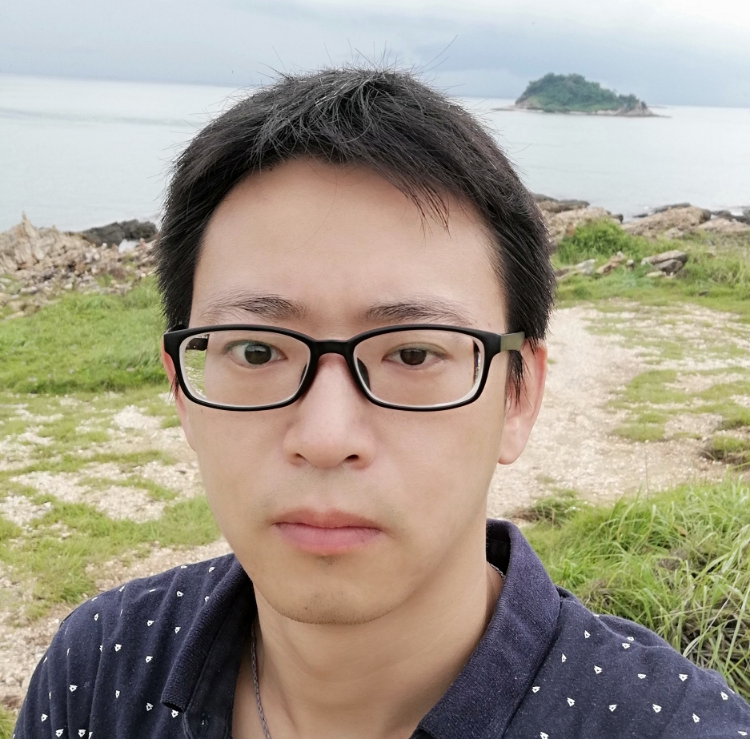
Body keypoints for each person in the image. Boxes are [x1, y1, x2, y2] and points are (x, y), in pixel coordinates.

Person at [14, 67, 750, 739]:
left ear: (518, 394)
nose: (325, 436)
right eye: (257, 352)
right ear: (183, 391)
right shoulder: (98, 671)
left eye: (414, 354)